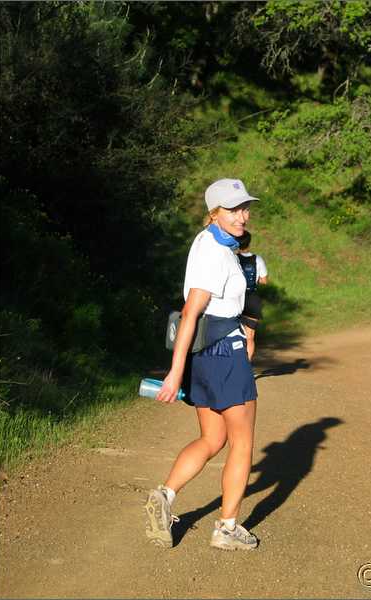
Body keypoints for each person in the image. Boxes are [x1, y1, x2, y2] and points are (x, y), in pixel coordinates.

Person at [143, 178, 260, 551]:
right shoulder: (213, 251)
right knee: (242, 443)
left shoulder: (210, 241)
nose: (242, 215)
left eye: (244, 208)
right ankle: (226, 528)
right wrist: (174, 372)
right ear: (213, 212)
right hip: (225, 352)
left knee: (213, 438)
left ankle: (165, 495)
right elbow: (192, 312)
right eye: (233, 209)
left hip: (207, 355)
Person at [235, 230, 268, 362]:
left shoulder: (234, 258)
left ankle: (236, 366)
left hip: (236, 299)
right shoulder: (258, 259)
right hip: (252, 300)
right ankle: (247, 367)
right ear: (249, 243)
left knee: (235, 336)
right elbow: (264, 280)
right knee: (250, 337)